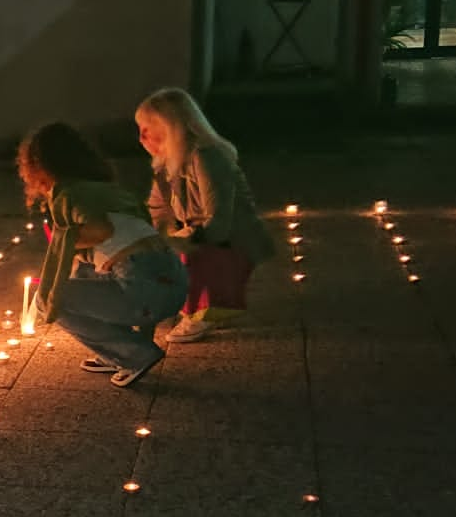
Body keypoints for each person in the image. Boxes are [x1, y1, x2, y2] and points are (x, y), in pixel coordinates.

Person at [20, 122, 188, 387]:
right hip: (174, 283)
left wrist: (65, 241)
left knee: (49, 300)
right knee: (83, 270)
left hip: (143, 290)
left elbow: (100, 229)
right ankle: (116, 353)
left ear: (40, 170)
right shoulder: (108, 191)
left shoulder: (69, 194)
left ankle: (133, 355)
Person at [134, 88, 275, 342]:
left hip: (230, 244)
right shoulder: (166, 166)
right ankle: (181, 303)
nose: (140, 138)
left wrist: (177, 241)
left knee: (185, 254)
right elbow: (157, 214)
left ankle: (202, 313)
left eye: (146, 128)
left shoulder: (206, 157)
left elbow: (218, 221)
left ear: (170, 126)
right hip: (202, 237)